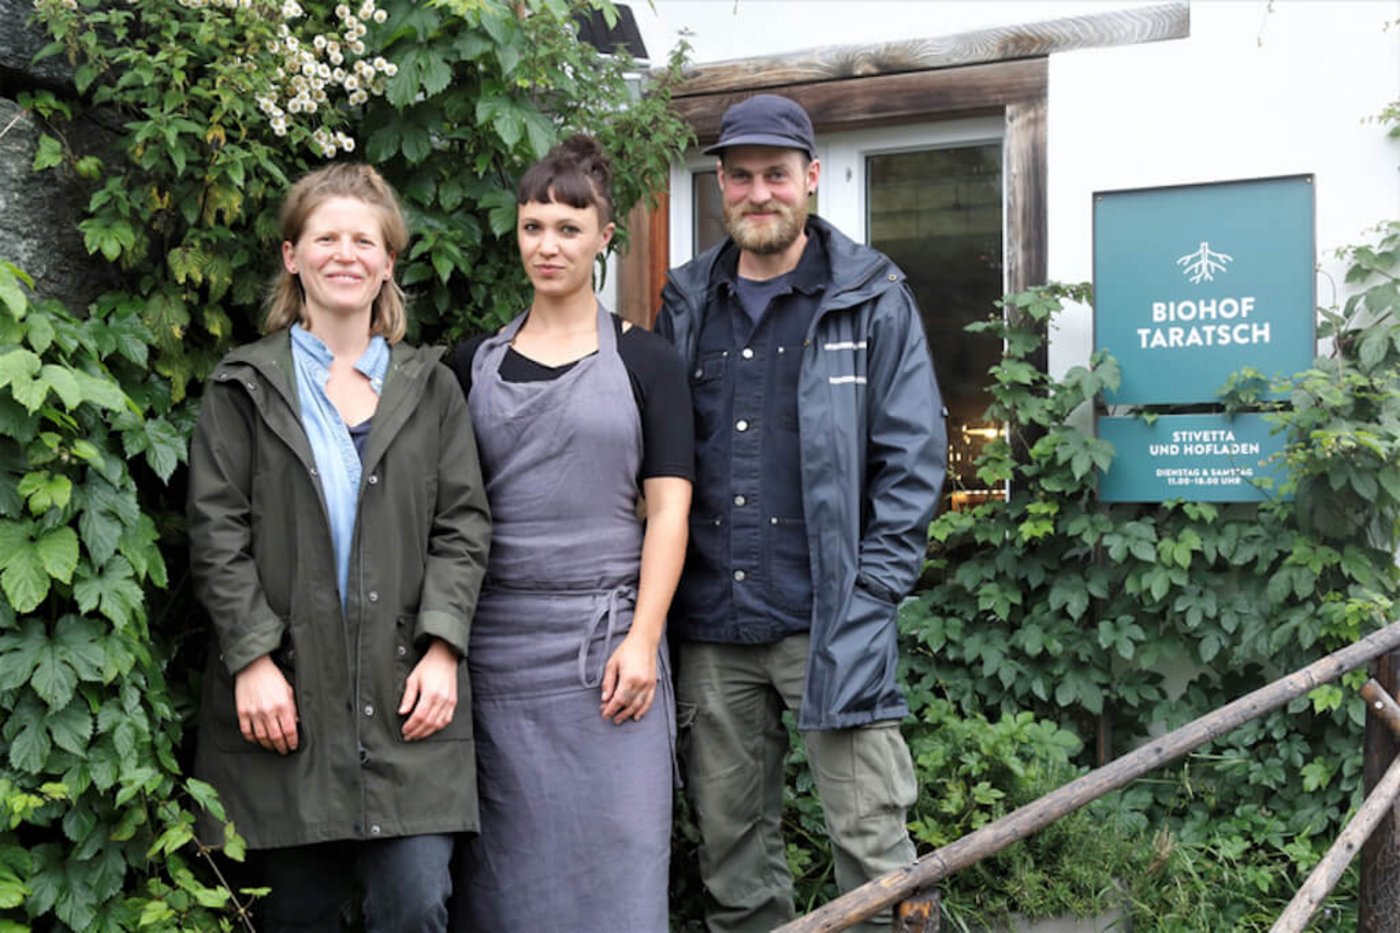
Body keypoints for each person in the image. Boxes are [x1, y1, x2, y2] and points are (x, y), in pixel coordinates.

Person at [656, 94, 948, 933]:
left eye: (776, 175)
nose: (759, 193)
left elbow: (912, 459)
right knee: (731, 853)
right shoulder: (687, 305)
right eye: (740, 176)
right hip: (712, 625)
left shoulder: (869, 296)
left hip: (833, 621)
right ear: (720, 185)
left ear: (811, 179)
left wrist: (873, 593)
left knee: (874, 848)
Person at [187, 163, 491, 933]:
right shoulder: (243, 387)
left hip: (408, 703)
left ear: (389, 260)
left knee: (415, 905)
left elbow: (463, 525)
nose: (344, 253)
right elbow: (217, 532)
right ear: (293, 255)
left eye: (365, 239)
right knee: (298, 914)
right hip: (286, 704)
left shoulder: (432, 388)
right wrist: (252, 659)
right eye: (326, 237)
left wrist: (445, 648)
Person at [448, 135, 693, 932]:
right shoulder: (468, 366)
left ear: (604, 237)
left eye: (567, 227)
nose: (547, 245)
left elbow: (669, 512)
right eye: (532, 226)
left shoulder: (649, 362)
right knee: (504, 885)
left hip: (611, 653)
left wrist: (642, 635)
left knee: (620, 867)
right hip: (496, 655)